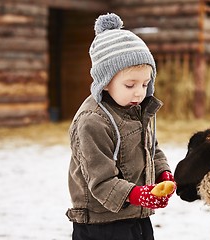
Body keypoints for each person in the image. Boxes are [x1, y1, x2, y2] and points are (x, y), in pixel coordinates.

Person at [66, 13, 175, 240]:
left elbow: (151, 149)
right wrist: (137, 194)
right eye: (130, 84)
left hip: (135, 215)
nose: (139, 92)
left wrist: (163, 173)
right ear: (105, 82)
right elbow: (100, 180)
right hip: (102, 223)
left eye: (145, 84)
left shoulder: (135, 110)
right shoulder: (92, 122)